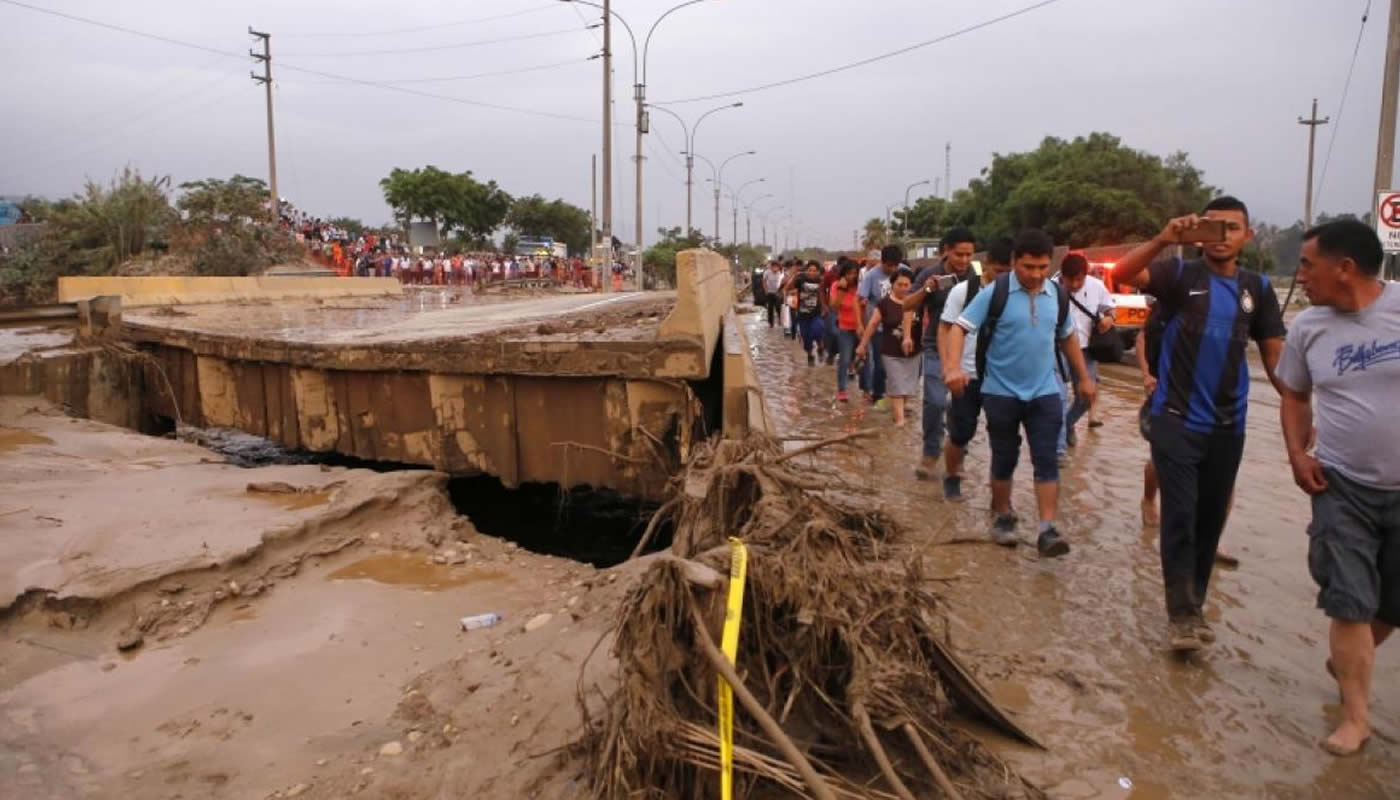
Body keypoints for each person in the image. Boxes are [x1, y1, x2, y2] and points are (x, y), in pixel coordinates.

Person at [1112, 196, 1287, 652]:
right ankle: (1183, 616)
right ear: (1200, 232)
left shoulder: (1259, 289)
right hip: (1175, 418)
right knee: (1182, 514)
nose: (1224, 236)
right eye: (1215, 227)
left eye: (1233, 228)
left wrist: (1302, 408)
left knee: (1210, 520)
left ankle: (1196, 602)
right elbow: (1122, 275)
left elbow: (1275, 359)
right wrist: (1164, 239)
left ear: (1248, 236)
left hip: (1230, 425)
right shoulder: (1180, 275)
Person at [1277, 219, 1397, 757]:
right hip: (1341, 485)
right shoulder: (1309, 329)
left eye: (1307, 264)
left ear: (1344, 267)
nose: (1300, 275)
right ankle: (1356, 718)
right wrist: (1298, 454)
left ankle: (1352, 659)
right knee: (1348, 602)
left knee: (1387, 608)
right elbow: (1295, 396)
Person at [946, 229, 1095, 556]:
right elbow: (959, 328)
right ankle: (1002, 514)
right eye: (1029, 267)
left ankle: (1047, 528)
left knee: (1047, 459)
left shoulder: (1056, 295)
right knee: (1004, 458)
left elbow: (1068, 336)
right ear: (1015, 263)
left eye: (1042, 267)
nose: (1036, 274)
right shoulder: (995, 292)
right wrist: (953, 368)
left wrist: (1084, 378)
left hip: (1044, 392)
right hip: (1000, 392)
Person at [936, 236, 1013, 502]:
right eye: (999, 271)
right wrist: (949, 367)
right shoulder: (964, 292)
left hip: (1002, 380)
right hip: (967, 375)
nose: (1004, 277)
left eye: (1009, 272)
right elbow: (945, 329)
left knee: (1003, 439)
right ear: (988, 264)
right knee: (960, 434)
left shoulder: (1019, 296)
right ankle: (952, 476)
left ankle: (1000, 499)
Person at [905, 228, 977, 480]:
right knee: (935, 401)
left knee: (961, 405)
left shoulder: (976, 276)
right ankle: (931, 451)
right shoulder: (930, 273)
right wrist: (925, 290)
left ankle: (957, 455)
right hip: (936, 347)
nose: (964, 260)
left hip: (968, 351)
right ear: (946, 250)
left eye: (969, 254)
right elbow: (905, 304)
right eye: (959, 254)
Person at [1056, 252, 1115, 449]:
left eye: (1079, 280)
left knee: (1087, 396)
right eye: (1069, 280)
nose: (1074, 285)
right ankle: (1058, 446)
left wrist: (1109, 318)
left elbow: (1110, 309)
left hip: (1086, 350)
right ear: (1061, 275)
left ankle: (1066, 424)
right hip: (1056, 350)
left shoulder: (1097, 286)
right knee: (1057, 396)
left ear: (1086, 275)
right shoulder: (1050, 289)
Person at [857, 267, 920, 426]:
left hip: (914, 352)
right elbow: (872, 324)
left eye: (907, 285)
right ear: (892, 284)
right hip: (891, 351)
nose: (903, 288)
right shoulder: (884, 303)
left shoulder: (917, 301)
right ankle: (899, 422)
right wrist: (863, 344)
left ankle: (898, 413)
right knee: (896, 385)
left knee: (908, 387)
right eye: (900, 284)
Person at [858, 246, 902, 405]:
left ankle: (899, 397)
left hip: (899, 327)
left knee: (900, 364)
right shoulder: (871, 276)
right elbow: (861, 301)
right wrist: (861, 325)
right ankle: (878, 394)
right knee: (880, 364)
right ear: (882, 262)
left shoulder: (902, 272)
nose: (892, 269)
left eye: (895, 265)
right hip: (878, 328)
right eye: (889, 265)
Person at [829, 261, 863, 402]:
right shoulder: (836, 286)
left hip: (862, 328)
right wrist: (842, 290)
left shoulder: (861, 286)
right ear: (843, 274)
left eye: (854, 273)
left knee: (864, 359)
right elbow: (834, 307)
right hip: (845, 328)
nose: (852, 276)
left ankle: (866, 390)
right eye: (849, 273)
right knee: (844, 359)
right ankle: (842, 390)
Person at [784, 261, 828, 366]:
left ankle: (821, 347)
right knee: (806, 337)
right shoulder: (800, 280)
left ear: (818, 272)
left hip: (816, 313)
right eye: (810, 270)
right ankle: (810, 355)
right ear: (806, 271)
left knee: (818, 330)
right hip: (803, 315)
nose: (812, 273)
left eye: (814, 271)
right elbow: (788, 288)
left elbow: (824, 295)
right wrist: (795, 276)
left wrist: (825, 308)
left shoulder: (821, 281)